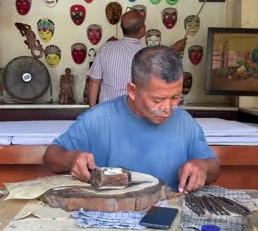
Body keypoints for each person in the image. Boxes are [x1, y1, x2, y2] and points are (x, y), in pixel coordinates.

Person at [43, 45, 220, 193]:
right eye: (157, 100)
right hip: (110, 217)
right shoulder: (98, 119)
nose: (167, 108)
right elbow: (51, 156)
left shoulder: (184, 121)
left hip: (168, 214)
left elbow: (214, 167)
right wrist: (72, 159)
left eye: (175, 97)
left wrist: (203, 167)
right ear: (132, 91)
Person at [87, 10, 187, 107]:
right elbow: (163, 63)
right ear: (142, 30)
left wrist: (92, 111)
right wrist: (174, 50)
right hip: (134, 113)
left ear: (122, 28)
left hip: (106, 111)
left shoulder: (106, 48)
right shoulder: (146, 54)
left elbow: (94, 83)